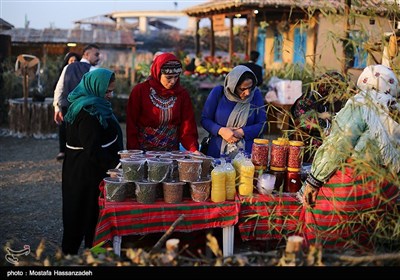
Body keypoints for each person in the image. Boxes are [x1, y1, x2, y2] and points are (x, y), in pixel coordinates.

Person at [298, 64, 400, 250]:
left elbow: (338, 146)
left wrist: (313, 181)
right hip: (387, 188)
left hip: (358, 181)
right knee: (365, 235)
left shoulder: (361, 104)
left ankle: (321, 256)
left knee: (316, 212)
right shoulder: (394, 108)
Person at [61, 68, 123, 255]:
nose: (110, 95)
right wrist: (116, 166)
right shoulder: (89, 112)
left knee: (83, 212)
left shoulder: (92, 105)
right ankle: (76, 256)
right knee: (84, 213)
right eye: (107, 91)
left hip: (85, 168)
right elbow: (93, 150)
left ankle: (87, 253)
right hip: (85, 173)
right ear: (95, 87)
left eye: (111, 91)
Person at [126, 52, 201, 153]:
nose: (173, 81)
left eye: (176, 77)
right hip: (144, 153)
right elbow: (131, 125)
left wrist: (193, 149)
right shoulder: (140, 91)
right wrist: (134, 153)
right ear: (158, 73)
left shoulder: (182, 94)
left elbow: (188, 127)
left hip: (171, 154)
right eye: (168, 78)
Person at [201, 65, 267, 159]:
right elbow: (205, 119)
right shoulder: (218, 93)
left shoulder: (255, 95)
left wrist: (242, 132)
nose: (248, 93)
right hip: (217, 152)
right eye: (242, 89)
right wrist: (221, 130)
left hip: (246, 157)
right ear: (233, 86)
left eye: (250, 87)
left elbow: (263, 124)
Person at [53, 44, 101, 160]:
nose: (98, 57)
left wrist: (57, 108)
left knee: (71, 139)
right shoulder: (95, 70)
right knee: (85, 140)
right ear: (86, 54)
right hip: (86, 111)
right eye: (96, 54)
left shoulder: (67, 68)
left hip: (67, 108)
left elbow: (59, 89)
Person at [290, 71, 349, 162]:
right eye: (337, 92)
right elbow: (304, 121)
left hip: (329, 151)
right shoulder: (309, 99)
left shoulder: (336, 102)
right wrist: (326, 124)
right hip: (307, 151)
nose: (338, 96)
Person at [53, 52, 81, 161]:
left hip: (79, 105)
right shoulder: (65, 72)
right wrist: (57, 107)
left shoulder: (82, 73)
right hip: (65, 105)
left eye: (75, 61)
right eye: (71, 61)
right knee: (63, 128)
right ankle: (62, 151)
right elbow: (58, 90)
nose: (73, 63)